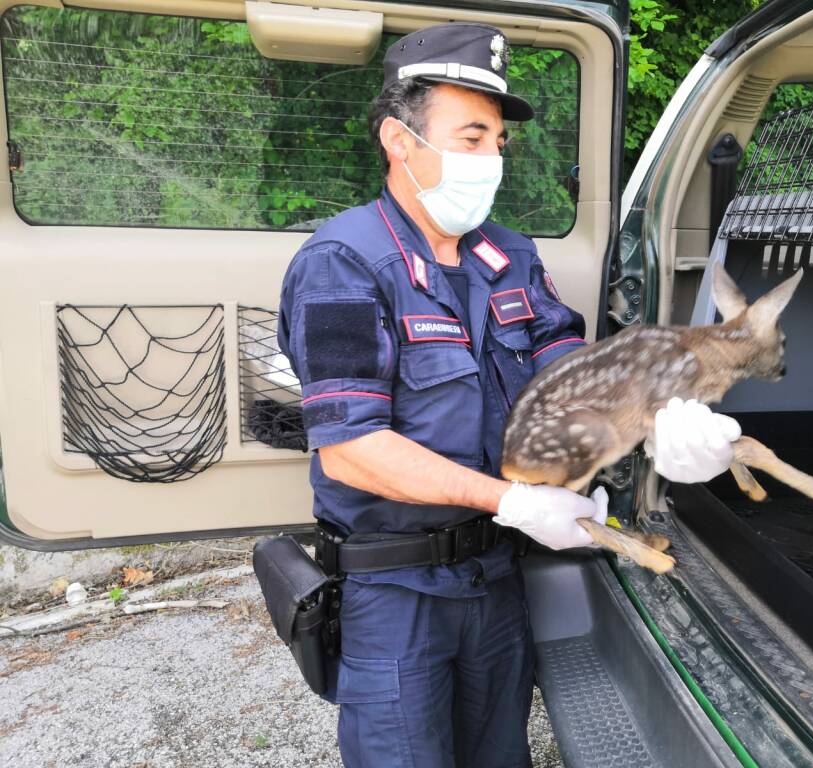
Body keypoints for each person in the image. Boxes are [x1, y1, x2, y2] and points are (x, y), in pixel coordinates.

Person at [277, 22, 737, 768]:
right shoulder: (343, 262)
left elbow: (568, 375)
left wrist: (656, 417)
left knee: (500, 756)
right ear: (400, 141)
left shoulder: (509, 256)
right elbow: (352, 452)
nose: (491, 158)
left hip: (495, 577)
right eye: (470, 138)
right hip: (397, 591)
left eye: (496, 142)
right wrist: (515, 502)